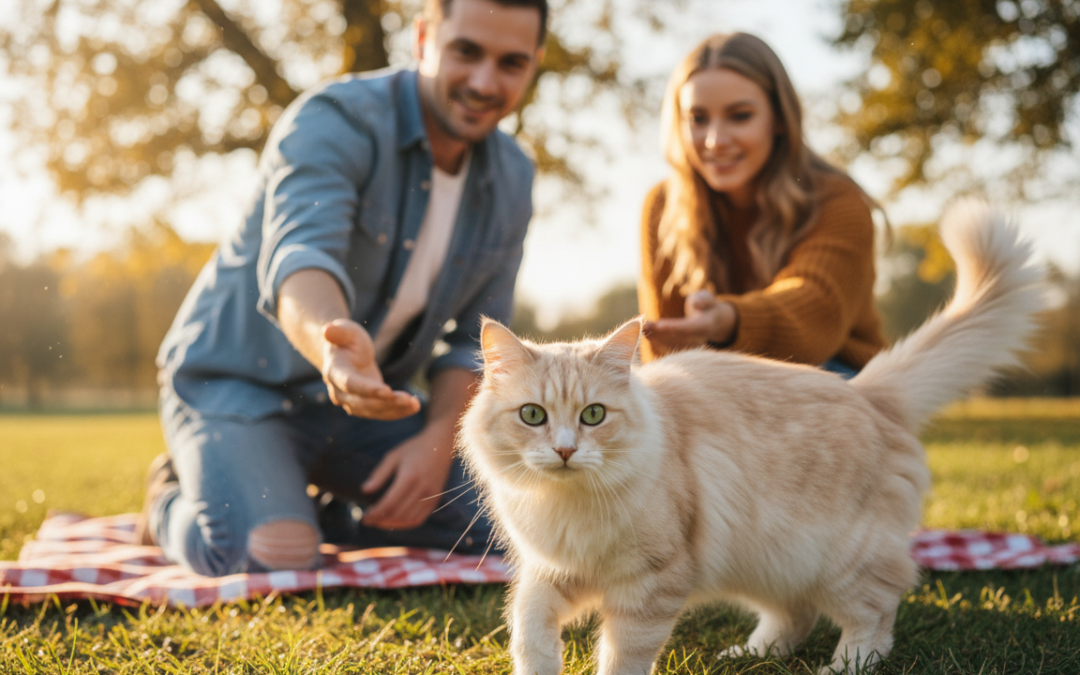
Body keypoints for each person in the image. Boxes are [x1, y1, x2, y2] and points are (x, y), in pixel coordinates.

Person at [135, 0, 547, 577]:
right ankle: (170, 500)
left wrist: (437, 440)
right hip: (240, 385)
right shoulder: (336, 119)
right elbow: (300, 258)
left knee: (520, 523)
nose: (484, 82)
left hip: (370, 413)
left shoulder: (513, 177)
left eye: (511, 63)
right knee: (273, 555)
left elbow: (472, 344)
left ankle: (326, 509)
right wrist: (334, 347)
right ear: (425, 37)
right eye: (466, 52)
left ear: (535, 64)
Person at [639, 32, 887, 377]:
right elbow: (664, 357)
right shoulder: (663, 207)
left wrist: (728, 321)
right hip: (719, 386)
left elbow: (814, 310)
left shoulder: (838, 202)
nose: (715, 140)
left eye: (739, 116)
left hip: (837, 379)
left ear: (780, 120)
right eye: (698, 119)